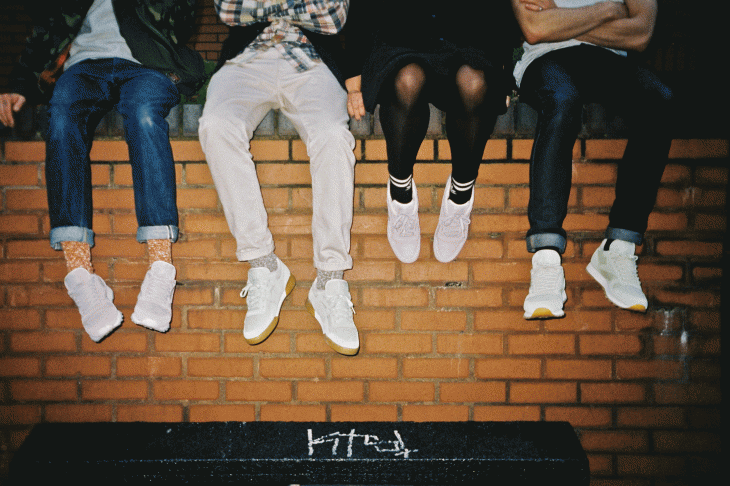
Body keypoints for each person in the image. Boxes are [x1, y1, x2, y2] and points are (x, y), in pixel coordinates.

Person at [0, 0, 207, 342]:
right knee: (61, 118)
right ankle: (79, 273)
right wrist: (19, 82)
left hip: (146, 65)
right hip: (84, 68)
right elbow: (48, 26)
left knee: (144, 115)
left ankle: (161, 268)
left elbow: (181, 20)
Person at [198, 0, 359, 355]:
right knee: (216, 126)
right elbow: (228, 9)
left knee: (333, 137)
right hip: (246, 60)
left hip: (312, 62)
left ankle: (330, 281)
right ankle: (264, 265)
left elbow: (334, 15)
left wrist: (265, 6)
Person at [511, 0, 673, 319]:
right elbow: (534, 29)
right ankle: (546, 259)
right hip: (544, 59)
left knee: (659, 101)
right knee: (562, 101)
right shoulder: (608, 8)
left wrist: (562, 21)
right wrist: (610, 9)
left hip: (608, 61)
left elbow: (641, 34)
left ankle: (618, 249)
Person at [345, 0, 515, 263]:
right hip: (402, 38)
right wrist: (353, 80)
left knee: (473, 83)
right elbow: (361, 9)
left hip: (464, 40)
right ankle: (400, 193)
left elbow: (498, 9)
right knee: (407, 80)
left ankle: (460, 193)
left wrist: (504, 71)